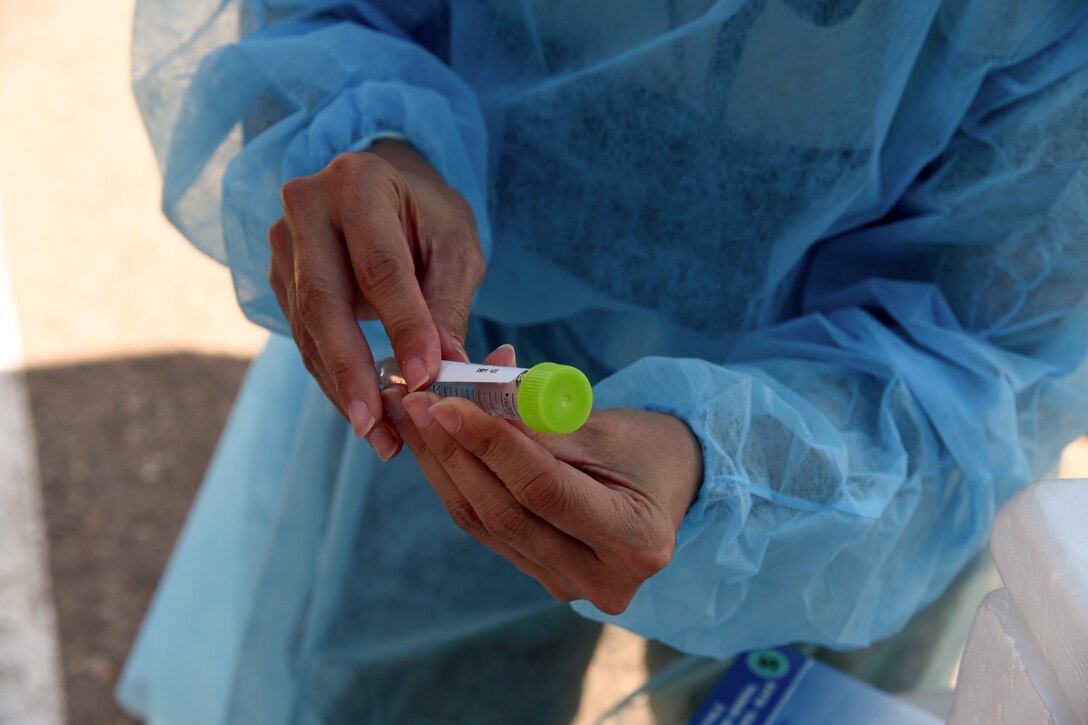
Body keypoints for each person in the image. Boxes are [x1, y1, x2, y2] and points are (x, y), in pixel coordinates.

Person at [119, 1, 1088, 722]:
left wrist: (730, 466)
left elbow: (983, 349)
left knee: (798, 696)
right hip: (473, 340)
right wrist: (381, 139)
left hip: (847, 483)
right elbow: (330, 17)